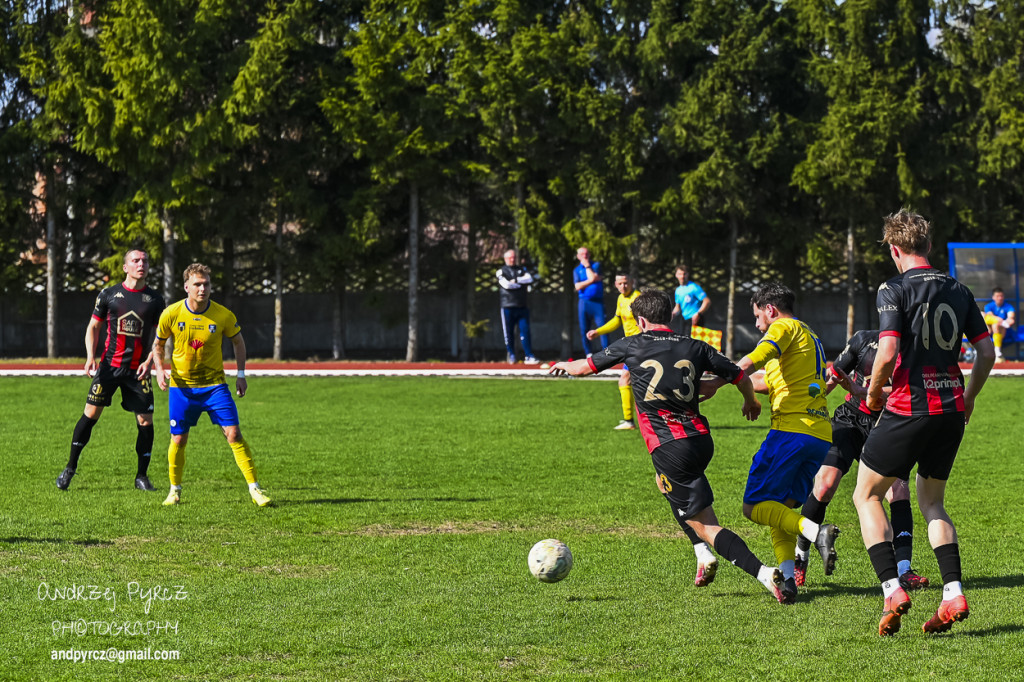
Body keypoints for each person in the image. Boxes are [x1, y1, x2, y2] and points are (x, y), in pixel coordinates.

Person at [549, 288, 788, 603]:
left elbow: (583, 367)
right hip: (701, 441)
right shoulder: (695, 345)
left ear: (641, 320)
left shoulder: (632, 343)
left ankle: (762, 573)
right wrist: (750, 402)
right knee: (666, 486)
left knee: (705, 525)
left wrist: (562, 367)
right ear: (671, 315)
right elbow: (740, 375)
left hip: (669, 446)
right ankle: (702, 554)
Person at [851, 210, 994, 637]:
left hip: (908, 408)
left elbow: (888, 351)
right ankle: (953, 593)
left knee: (866, 495)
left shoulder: (892, 288)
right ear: (929, 246)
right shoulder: (960, 289)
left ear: (895, 250)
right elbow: (985, 354)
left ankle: (892, 588)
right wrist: (968, 400)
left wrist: (874, 396)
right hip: (950, 410)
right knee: (932, 502)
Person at [702, 282, 840, 604]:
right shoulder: (808, 334)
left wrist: (717, 381)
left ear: (770, 310)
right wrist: (724, 385)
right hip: (818, 434)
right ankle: (788, 581)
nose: (757, 325)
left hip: (791, 431)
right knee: (781, 508)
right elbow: (764, 379)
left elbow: (753, 359)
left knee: (752, 507)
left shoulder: (783, 327)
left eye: (757, 317)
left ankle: (814, 532)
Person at [792, 330, 928, 592]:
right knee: (824, 485)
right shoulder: (864, 339)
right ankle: (800, 556)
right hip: (850, 420)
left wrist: (864, 389)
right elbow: (834, 376)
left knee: (898, 491)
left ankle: (904, 570)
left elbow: (909, 392)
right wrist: (813, 398)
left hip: (888, 425)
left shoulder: (915, 347)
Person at [152, 263, 271, 507]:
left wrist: (240, 374)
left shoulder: (223, 314)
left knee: (234, 433)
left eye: (206, 284)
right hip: (181, 388)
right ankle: (174, 490)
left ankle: (255, 489)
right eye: (197, 284)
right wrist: (160, 370)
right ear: (186, 287)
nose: (202, 288)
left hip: (215, 386)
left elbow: (238, 342)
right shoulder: (171, 313)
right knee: (178, 440)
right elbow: (158, 344)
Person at [56, 249, 164, 492]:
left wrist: (151, 362)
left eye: (145, 261)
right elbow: (93, 326)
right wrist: (89, 357)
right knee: (90, 416)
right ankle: (70, 468)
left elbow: (161, 336)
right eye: (135, 261)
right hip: (109, 368)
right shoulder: (109, 294)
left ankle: (141, 477)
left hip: (138, 371)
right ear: (125, 267)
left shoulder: (155, 300)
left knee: (145, 422)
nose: (141, 264)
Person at [587, 272, 641, 430]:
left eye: (626, 282)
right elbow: (617, 320)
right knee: (637, 383)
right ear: (615, 284)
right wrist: (599, 331)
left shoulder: (637, 298)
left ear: (632, 281)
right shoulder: (621, 299)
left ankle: (629, 421)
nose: (623, 286)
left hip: (639, 346)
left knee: (625, 380)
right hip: (632, 346)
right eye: (620, 283)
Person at [497, 249, 539, 365]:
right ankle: (511, 355)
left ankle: (529, 355)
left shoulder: (522, 269)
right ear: (505, 259)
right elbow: (506, 284)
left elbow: (529, 279)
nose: (512, 259)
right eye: (510, 257)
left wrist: (516, 280)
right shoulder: (501, 271)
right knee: (509, 332)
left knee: (525, 331)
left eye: (514, 257)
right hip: (508, 306)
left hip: (522, 306)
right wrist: (520, 283)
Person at [573, 247, 607, 357]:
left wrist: (588, 267)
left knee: (602, 327)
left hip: (597, 302)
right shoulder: (577, 270)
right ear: (578, 256)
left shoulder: (596, 265)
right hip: (584, 302)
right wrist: (591, 280)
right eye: (582, 254)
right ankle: (588, 353)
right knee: (584, 328)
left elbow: (593, 277)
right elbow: (578, 286)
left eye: (586, 253)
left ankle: (607, 352)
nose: (584, 256)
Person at [671, 265, 710, 335]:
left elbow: (707, 301)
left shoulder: (694, 287)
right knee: (684, 342)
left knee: (696, 343)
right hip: (685, 320)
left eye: (684, 274)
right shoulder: (678, 290)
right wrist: (672, 314)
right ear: (676, 275)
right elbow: (678, 307)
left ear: (687, 274)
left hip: (696, 320)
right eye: (680, 274)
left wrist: (698, 314)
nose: (682, 276)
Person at [983, 287, 1015, 363]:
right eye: (997, 296)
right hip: (989, 332)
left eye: (1001, 296)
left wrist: (1003, 322)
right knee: (983, 315)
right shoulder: (988, 306)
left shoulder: (1008, 306)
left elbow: (1011, 318)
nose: (1000, 298)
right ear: (993, 297)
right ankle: (995, 352)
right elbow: (989, 316)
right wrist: (1000, 320)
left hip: (1004, 331)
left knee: (996, 325)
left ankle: (997, 353)